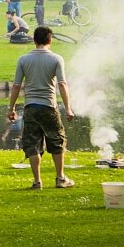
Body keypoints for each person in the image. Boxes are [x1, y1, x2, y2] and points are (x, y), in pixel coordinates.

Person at [7, 25, 75, 190]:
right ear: (50, 39)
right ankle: (60, 178)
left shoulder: (23, 59)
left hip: (30, 107)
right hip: (49, 106)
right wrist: (68, 108)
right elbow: (62, 84)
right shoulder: (56, 59)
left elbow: (16, 86)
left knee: (32, 144)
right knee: (57, 141)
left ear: (34, 39)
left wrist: (11, 108)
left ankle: (37, 181)